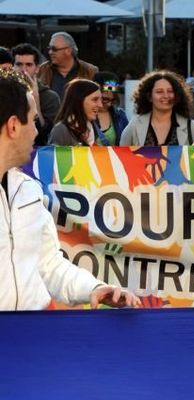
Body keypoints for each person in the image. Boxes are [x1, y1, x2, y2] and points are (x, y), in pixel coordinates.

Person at [0, 68, 140, 310]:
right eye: (33, 121)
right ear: (13, 126)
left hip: (32, 335)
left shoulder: (28, 191)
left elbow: (50, 265)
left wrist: (94, 288)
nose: (36, 131)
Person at [120, 70, 194, 146]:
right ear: (149, 96)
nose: (166, 96)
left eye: (170, 91)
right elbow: (120, 159)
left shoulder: (193, 128)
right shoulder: (134, 126)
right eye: (159, 92)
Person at [12, 43, 60, 146]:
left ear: (37, 68)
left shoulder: (50, 98)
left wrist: (35, 99)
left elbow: (43, 135)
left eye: (29, 65)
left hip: (37, 154)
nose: (23, 70)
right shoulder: (5, 93)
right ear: (13, 67)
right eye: (19, 64)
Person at [38, 32, 98, 99]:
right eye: (49, 48)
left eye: (54, 49)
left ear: (68, 51)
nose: (50, 52)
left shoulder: (91, 70)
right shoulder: (43, 69)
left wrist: (110, 90)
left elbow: (108, 84)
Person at [48, 79, 103, 146]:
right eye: (95, 99)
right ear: (79, 100)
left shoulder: (93, 128)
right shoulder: (61, 130)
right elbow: (53, 156)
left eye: (101, 100)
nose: (101, 105)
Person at [92, 71, 129, 146]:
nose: (109, 104)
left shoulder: (120, 115)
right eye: (105, 99)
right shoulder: (84, 114)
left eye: (113, 100)